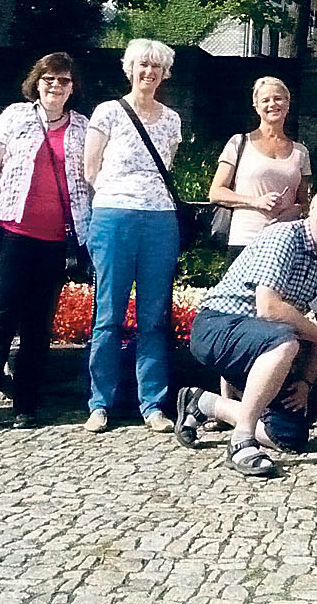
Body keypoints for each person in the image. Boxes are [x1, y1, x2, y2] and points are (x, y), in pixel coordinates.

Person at [174, 187, 317, 476]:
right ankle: (241, 442)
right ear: (312, 206)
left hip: (263, 345)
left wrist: (306, 382)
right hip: (216, 327)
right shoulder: (284, 237)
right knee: (285, 342)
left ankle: (203, 403)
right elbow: (269, 308)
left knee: (288, 435)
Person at [0, 53, 92, 431]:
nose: (55, 86)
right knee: (0, 319)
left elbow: (92, 179)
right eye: (48, 79)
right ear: (36, 82)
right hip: (12, 233)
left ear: (73, 87)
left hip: (57, 239)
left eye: (63, 80)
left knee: (39, 324)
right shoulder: (15, 116)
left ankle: (27, 403)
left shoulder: (83, 127)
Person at [82, 38, 183, 435]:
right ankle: (100, 402)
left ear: (165, 73)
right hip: (114, 217)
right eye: (143, 64)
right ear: (130, 69)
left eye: (156, 66)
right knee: (108, 313)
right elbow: (90, 170)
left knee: (154, 317)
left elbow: (165, 167)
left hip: (160, 220)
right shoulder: (108, 112)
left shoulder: (172, 119)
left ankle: (153, 403)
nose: (149, 72)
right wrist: (119, 197)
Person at [208, 75, 312, 267]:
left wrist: (295, 210)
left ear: (288, 104)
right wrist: (256, 201)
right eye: (265, 100)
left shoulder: (301, 152)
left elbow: (304, 202)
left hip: (284, 241)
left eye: (278, 98)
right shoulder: (239, 143)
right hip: (244, 239)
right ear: (256, 107)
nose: (272, 104)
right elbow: (216, 192)